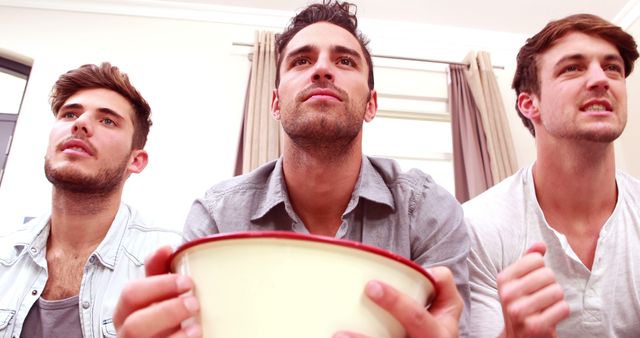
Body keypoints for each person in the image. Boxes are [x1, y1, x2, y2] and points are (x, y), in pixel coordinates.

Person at [113, 1, 469, 337]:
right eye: (301, 61)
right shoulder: (215, 216)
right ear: (275, 103)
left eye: (345, 62)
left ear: (370, 105)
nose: (322, 69)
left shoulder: (426, 210)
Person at [464, 13, 640, 337]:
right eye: (572, 68)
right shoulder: (476, 227)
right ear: (530, 104)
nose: (601, 79)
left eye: (612, 67)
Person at [0, 63, 182, 338]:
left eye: (107, 120)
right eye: (70, 113)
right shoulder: (4, 258)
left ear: (136, 160)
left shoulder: (171, 263)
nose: (80, 123)